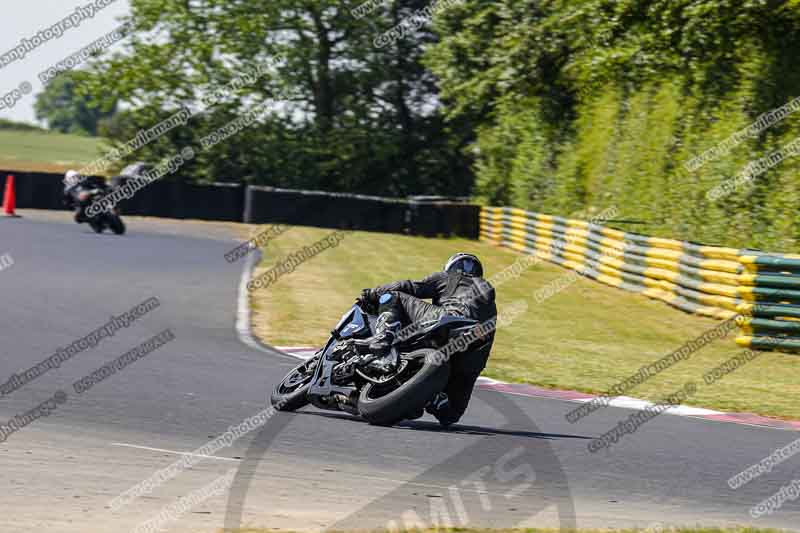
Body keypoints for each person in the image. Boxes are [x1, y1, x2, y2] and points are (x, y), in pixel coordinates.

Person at [359, 253, 497, 427]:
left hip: (449, 320)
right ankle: (434, 398)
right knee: (451, 414)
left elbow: (408, 286)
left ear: (453, 266)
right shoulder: (490, 301)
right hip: (473, 354)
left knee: (394, 296)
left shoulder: (452, 276)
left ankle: (382, 338)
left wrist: (372, 293)